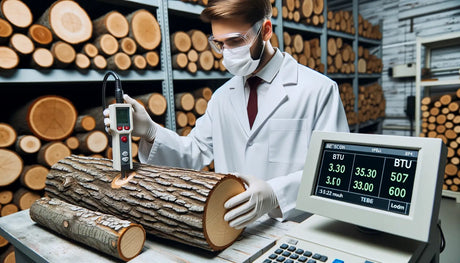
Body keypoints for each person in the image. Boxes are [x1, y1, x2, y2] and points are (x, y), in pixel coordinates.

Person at [104, 0, 349, 230]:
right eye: (219, 43)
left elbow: (335, 172)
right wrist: (151, 132)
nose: (226, 52)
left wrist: (276, 193)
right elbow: (193, 153)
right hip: (232, 229)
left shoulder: (317, 89)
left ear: (265, 30)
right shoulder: (222, 97)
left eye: (236, 41)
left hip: (294, 229)